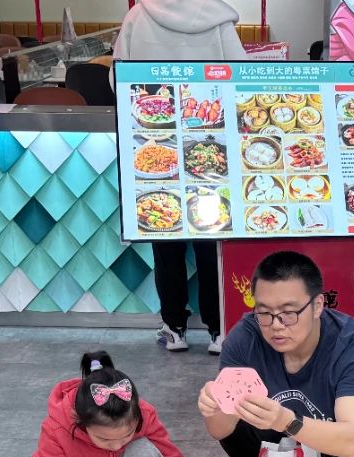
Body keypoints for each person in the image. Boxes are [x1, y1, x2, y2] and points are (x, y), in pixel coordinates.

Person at [198, 251, 354, 457]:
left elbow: (353, 442)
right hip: (281, 444)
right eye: (264, 312)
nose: (276, 325)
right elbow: (221, 431)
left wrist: (286, 421)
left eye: (289, 312)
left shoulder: (351, 345)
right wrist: (214, 407)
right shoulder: (244, 339)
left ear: (317, 306)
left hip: (336, 453)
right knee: (242, 419)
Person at [114, 0, 246, 355]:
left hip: (154, 138)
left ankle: (174, 328)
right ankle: (218, 330)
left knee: (166, 239)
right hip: (210, 143)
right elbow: (242, 75)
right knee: (211, 240)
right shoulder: (218, 18)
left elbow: (117, 78)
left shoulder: (137, 16)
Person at [30, 350, 189, 457]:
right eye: (104, 438)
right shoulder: (57, 428)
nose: (116, 446)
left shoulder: (146, 414)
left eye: (128, 434)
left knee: (143, 450)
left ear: (138, 415)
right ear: (80, 422)